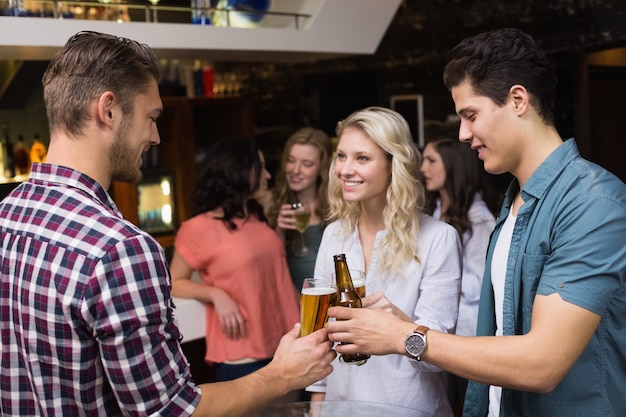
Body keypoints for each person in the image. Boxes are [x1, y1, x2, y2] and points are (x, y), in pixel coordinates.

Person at [0, 30, 335, 417]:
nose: (156, 136)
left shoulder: (9, 214)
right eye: (151, 117)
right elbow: (173, 411)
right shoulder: (119, 249)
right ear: (108, 110)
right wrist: (282, 375)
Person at [324, 28, 626, 417]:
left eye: (471, 115)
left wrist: (405, 336)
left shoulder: (592, 203)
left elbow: (542, 364)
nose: (463, 134)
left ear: (518, 100)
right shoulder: (516, 199)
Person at [308, 106, 463, 416]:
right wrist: (317, 411)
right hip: (340, 410)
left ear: (394, 165)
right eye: (341, 156)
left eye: (362, 158)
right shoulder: (334, 235)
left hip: (407, 409)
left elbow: (438, 360)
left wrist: (396, 322)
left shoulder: (438, 238)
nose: (345, 170)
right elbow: (320, 338)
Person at [169, 136, 301, 385]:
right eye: (260, 168)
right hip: (244, 351)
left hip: (287, 343)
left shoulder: (255, 215)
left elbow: (271, 272)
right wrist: (216, 294)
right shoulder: (198, 228)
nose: (268, 176)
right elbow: (174, 282)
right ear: (238, 170)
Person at [420, 137, 499, 414]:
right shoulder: (432, 212)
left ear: (453, 166)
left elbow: (481, 283)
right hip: (433, 332)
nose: (423, 168)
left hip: (466, 336)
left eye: (431, 161)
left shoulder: (479, 220)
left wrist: (434, 274)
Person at [266, 127, 333, 292]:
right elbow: (270, 267)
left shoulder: (337, 206)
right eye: (291, 160)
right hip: (292, 300)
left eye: (307, 164)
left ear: (322, 168)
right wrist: (279, 232)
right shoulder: (271, 203)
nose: (295, 170)